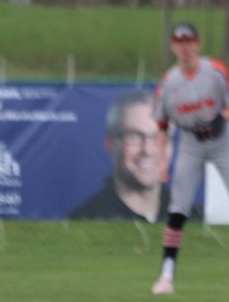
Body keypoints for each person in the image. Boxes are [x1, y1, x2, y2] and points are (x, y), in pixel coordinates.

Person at [149, 21, 229, 296]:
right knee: (178, 209)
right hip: (190, 143)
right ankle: (166, 276)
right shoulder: (168, 82)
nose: (185, 48)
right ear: (173, 46)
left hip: (221, 142)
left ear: (197, 44)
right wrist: (162, 162)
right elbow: (162, 126)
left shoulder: (215, 72)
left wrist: (221, 119)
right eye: (180, 42)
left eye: (189, 42)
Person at [71, 90, 171, 222]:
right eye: (134, 136)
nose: (148, 150)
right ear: (110, 144)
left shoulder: (191, 215)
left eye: (158, 137)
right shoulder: (85, 221)